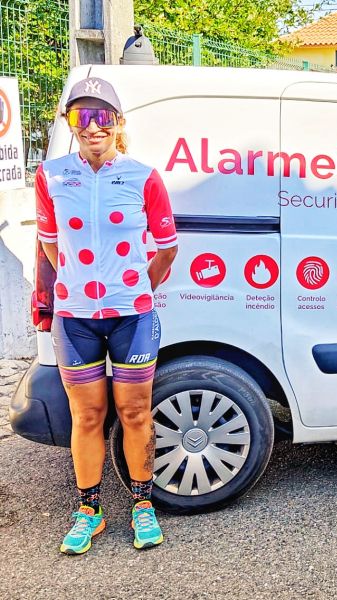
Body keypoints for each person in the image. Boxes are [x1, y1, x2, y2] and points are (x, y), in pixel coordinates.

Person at [35, 77, 178, 553]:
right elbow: (51, 244)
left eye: (101, 116)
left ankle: (142, 504)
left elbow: (167, 249)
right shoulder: (51, 175)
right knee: (87, 415)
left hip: (132, 316)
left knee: (136, 412)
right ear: (70, 123)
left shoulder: (143, 176)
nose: (91, 126)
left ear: (118, 123)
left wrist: (133, 287)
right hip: (74, 317)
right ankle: (89, 510)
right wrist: (77, 285)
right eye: (81, 116)